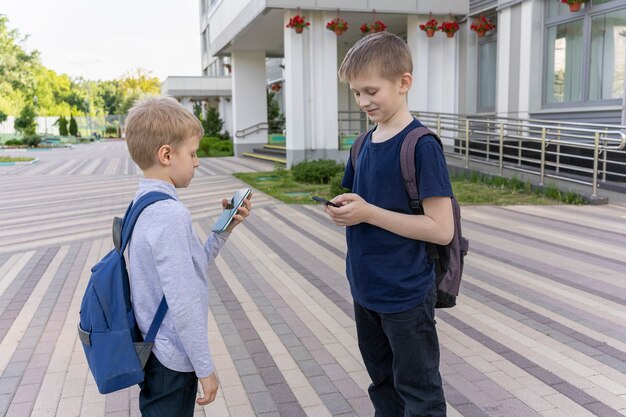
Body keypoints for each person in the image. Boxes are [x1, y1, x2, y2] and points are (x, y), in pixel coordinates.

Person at [323, 32, 453, 417]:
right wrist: (345, 209)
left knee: (419, 393)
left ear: (404, 82)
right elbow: (363, 201)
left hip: (406, 293)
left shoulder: (421, 145)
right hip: (365, 289)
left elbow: (440, 228)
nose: (363, 102)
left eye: (370, 91)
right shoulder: (362, 143)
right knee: (383, 387)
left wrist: (369, 213)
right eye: (356, 93)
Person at [123, 96, 252, 416]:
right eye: (193, 154)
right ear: (166, 154)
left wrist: (222, 232)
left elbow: (187, 270)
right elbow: (184, 301)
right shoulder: (169, 214)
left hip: (153, 348)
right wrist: (204, 367)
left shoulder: (142, 202)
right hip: (171, 359)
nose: (196, 162)